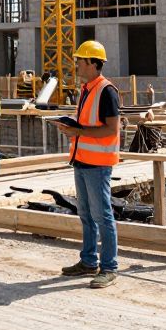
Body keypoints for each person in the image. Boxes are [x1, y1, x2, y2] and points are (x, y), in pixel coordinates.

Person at [54, 40, 121, 289]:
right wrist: (71, 126)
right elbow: (87, 123)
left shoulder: (106, 91)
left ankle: (109, 267)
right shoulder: (87, 89)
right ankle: (89, 261)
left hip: (98, 164)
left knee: (102, 216)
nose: (77, 65)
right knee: (86, 214)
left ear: (93, 63)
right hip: (82, 160)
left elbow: (111, 129)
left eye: (80, 61)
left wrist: (79, 131)